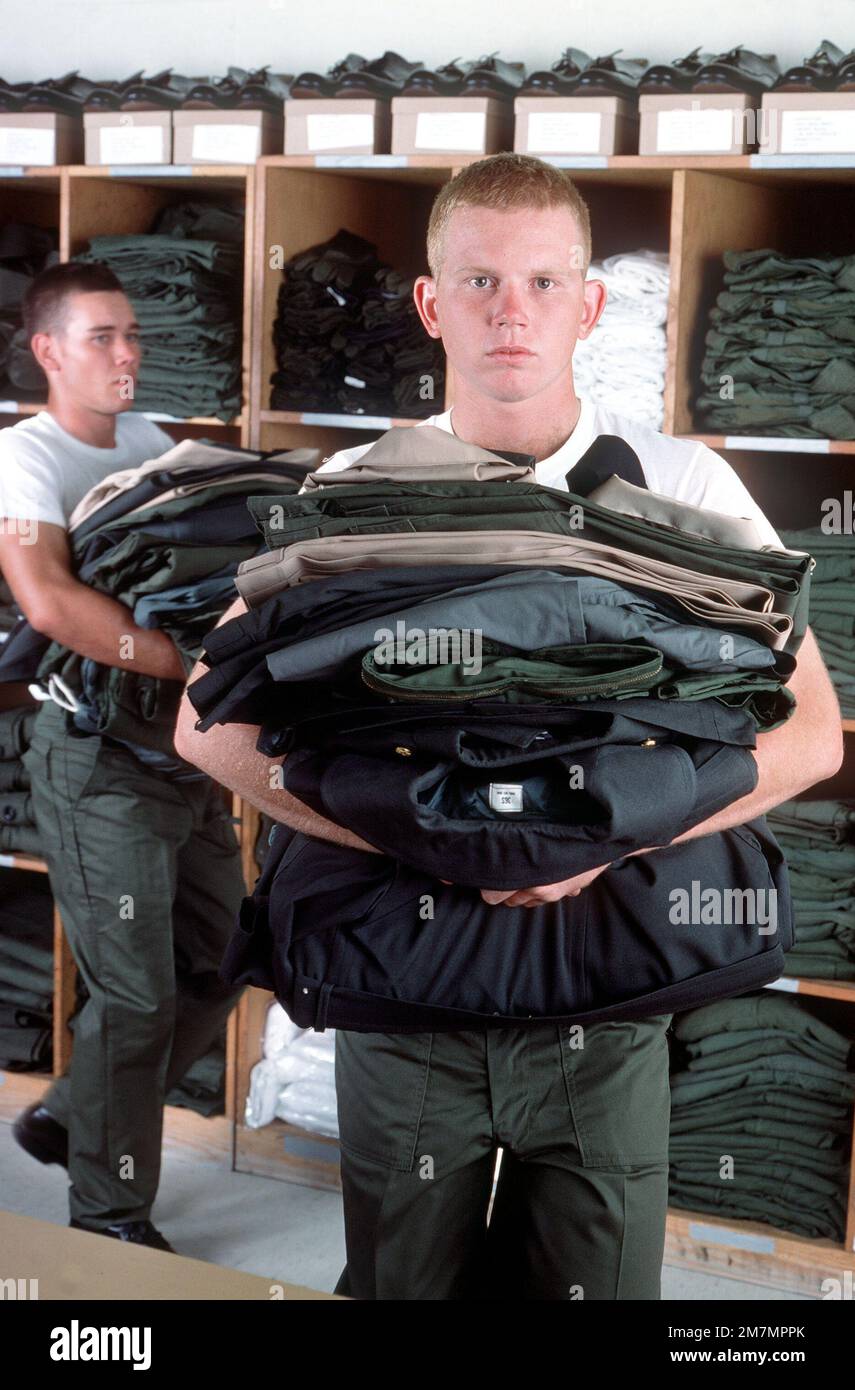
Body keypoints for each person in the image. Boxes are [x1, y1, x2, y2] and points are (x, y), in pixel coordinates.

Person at [174, 153, 844, 1298]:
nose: (512, 312)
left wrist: (606, 836)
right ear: (431, 303)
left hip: (605, 996)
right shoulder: (351, 490)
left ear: (590, 303)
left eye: (544, 281)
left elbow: (813, 734)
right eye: (480, 281)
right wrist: (412, 833)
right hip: (409, 989)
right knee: (403, 1284)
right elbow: (206, 726)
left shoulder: (684, 487)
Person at [0, 262, 246, 1252]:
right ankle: (109, 1216)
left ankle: (71, 1108)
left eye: (133, 334)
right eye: (102, 336)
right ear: (47, 349)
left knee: (225, 960)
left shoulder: (153, 447)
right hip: (97, 756)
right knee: (137, 998)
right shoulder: (23, 457)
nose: (128, 353)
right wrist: (184, 663)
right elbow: (50, 601)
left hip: (183, 752)